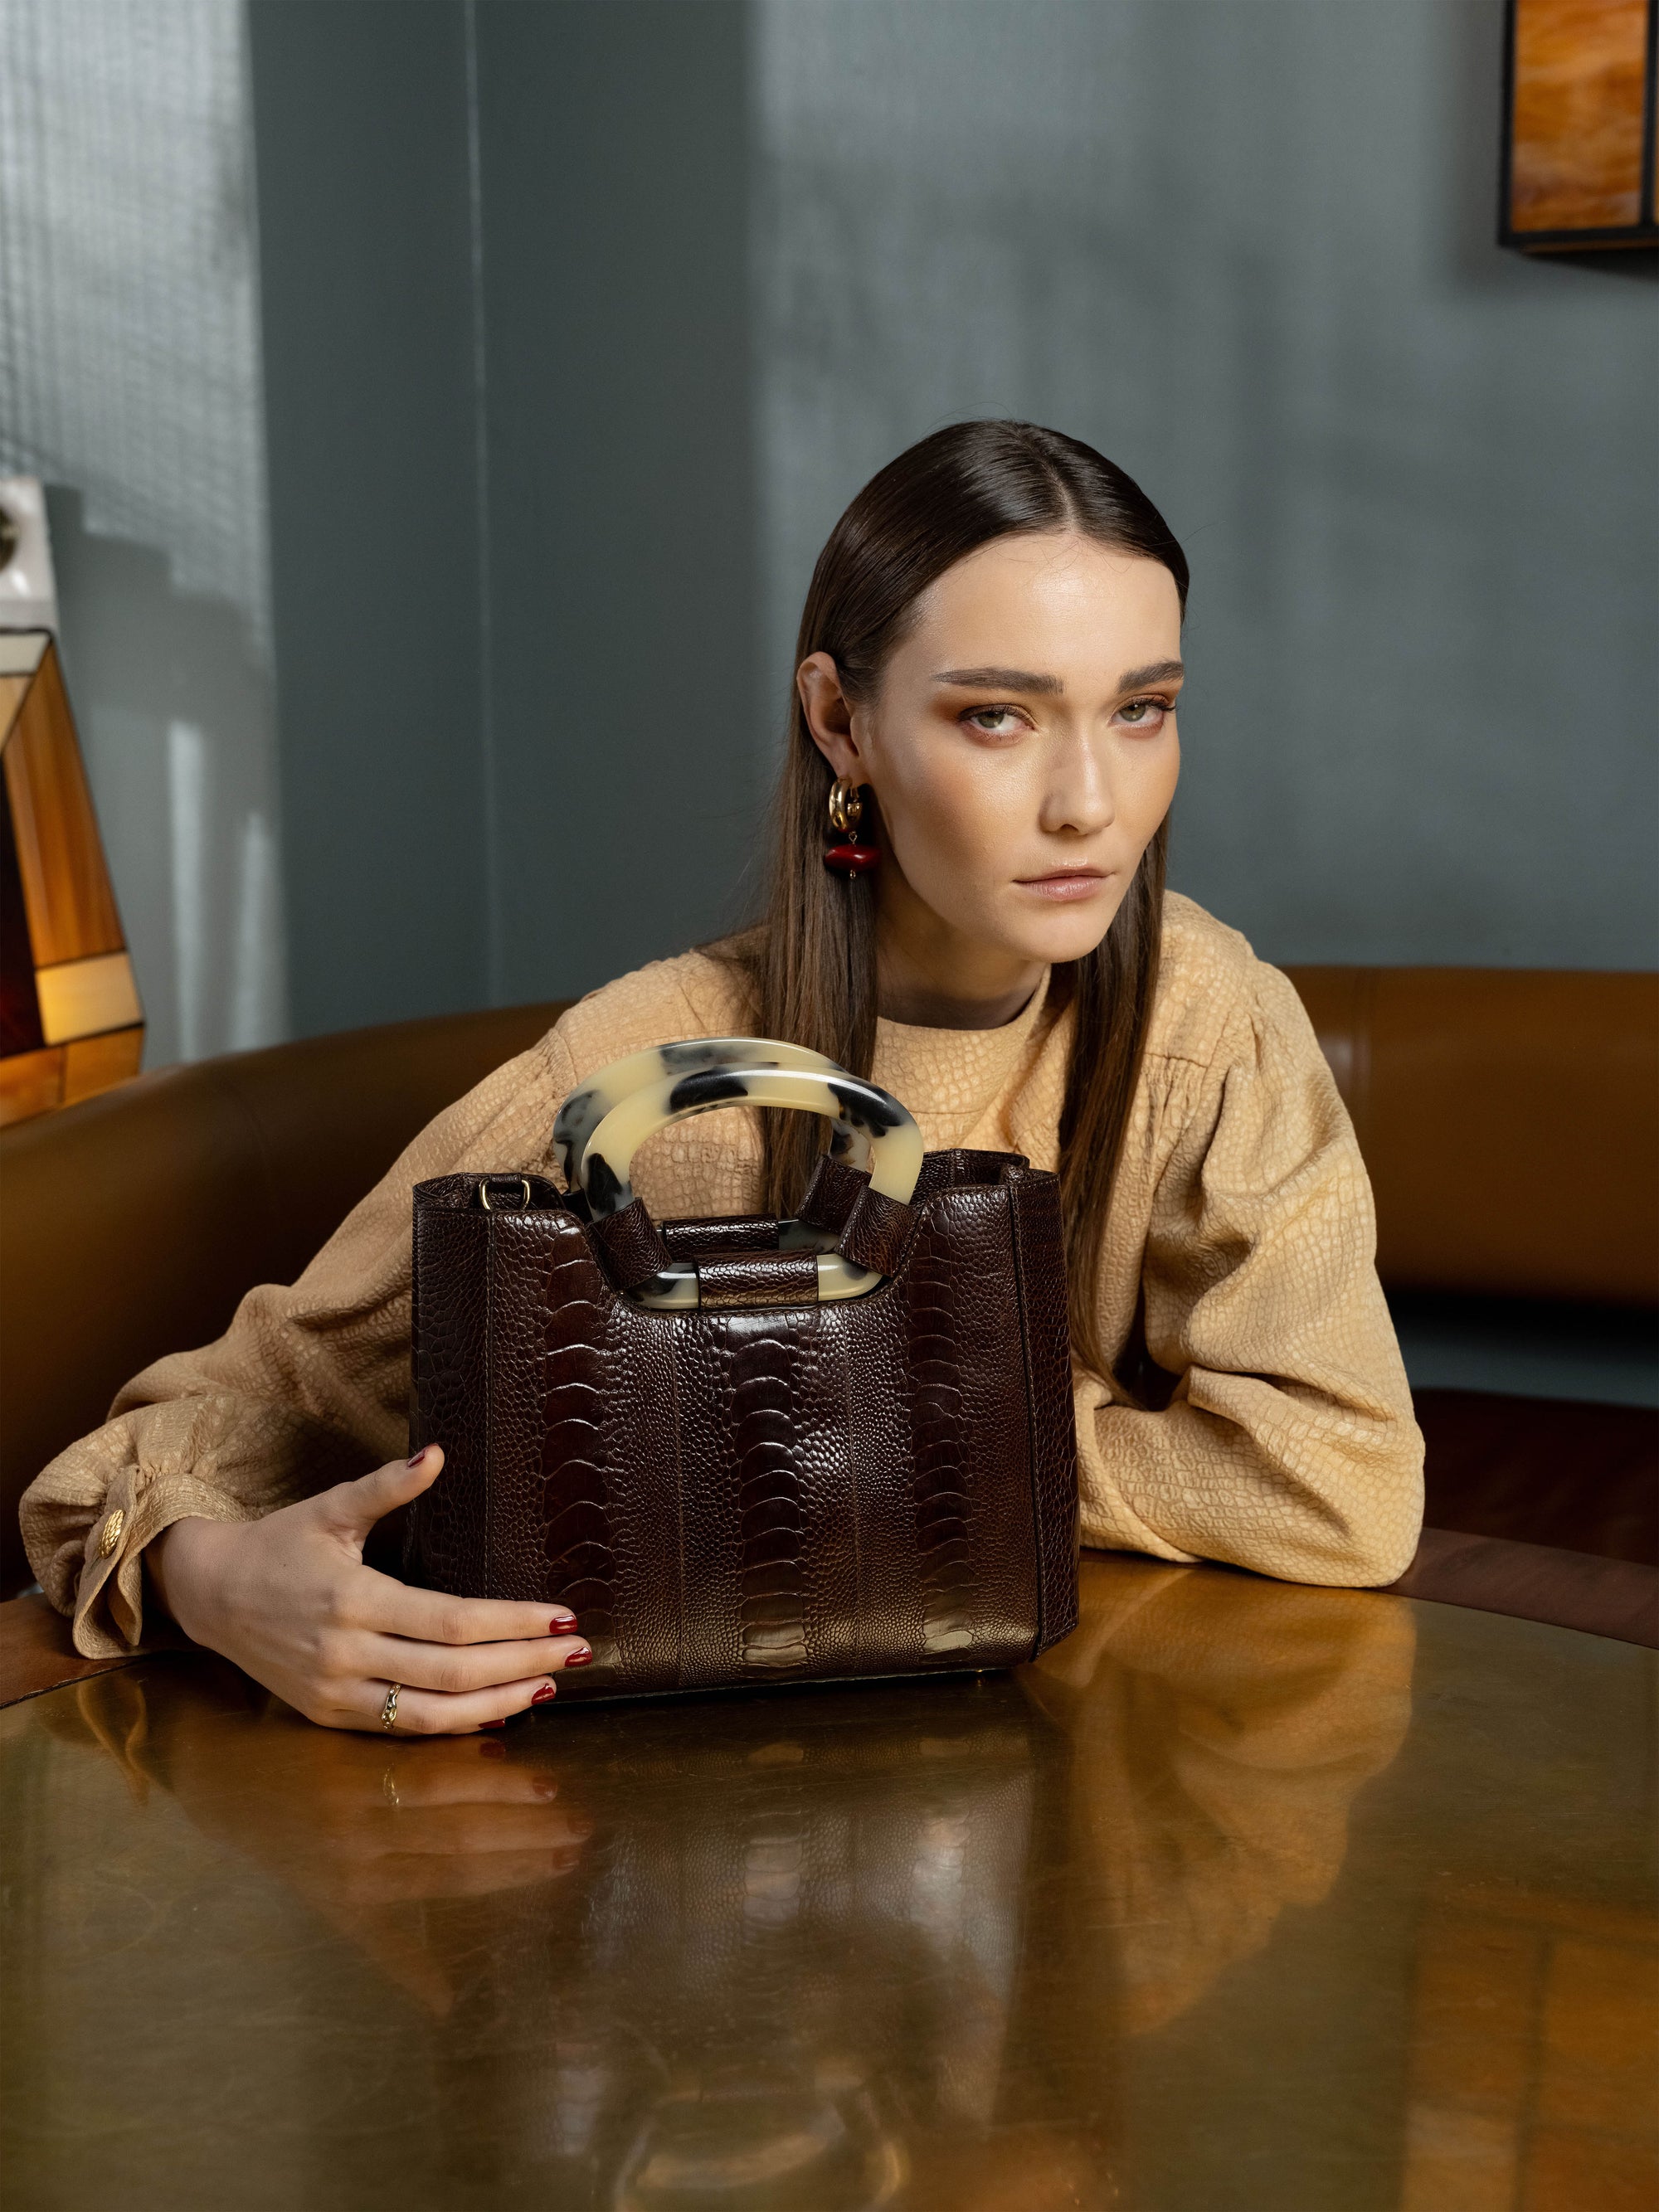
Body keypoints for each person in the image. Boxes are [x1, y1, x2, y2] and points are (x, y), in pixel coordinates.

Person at [21, 421, 1424, 1733]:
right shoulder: (648, 1073)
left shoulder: (1208, 1020)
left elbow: (1344, 1488)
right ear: (840, 722)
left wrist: (886, 1418)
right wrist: (215, 1582)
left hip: (1058, 1749)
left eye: (1141, 710)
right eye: (996, 715)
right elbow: (189, 1427)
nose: (1090, 803)